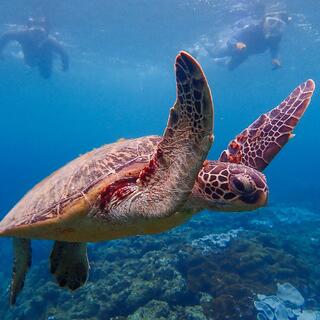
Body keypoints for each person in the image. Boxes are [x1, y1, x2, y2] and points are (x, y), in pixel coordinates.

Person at [212, 11, 291, 70]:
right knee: (216, 53)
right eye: (271, 22)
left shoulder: (275, 37)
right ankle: (210, 47)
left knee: (230, 68)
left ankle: (222, 62)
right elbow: (230, 40)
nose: (274, 27)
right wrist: (236, 44)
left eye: (279, 25)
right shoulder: (252, 29)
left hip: (244, 54)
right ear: (264, 21)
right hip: (232, 47)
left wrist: (275, 58)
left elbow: (274, 48)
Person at [0, 17, 69, 79]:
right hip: (31, 52)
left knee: (46, 75)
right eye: (34, 33)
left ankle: (53, 57)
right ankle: (49, 58)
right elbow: (6, 36)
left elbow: (64, 53)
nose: (37, 37)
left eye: (40, 34)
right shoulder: (22, 35)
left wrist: (65, 65)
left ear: (46, 34)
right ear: (28, 31)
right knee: (30, 63)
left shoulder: (50, 41)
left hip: (46, 55)